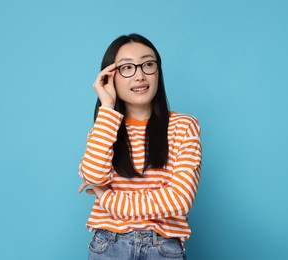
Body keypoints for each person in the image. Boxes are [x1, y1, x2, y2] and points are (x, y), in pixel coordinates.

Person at [78, 33, 202, 260]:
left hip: (163, 248)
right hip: (108, 245)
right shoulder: (104, 129)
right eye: (127, 68)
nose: (140, 75)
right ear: (109, 77)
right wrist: (107, 107)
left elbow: (180, 200)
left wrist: (107, 198)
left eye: (147, 64)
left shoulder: (183, 126)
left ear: (158, 71)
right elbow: (94, 175)